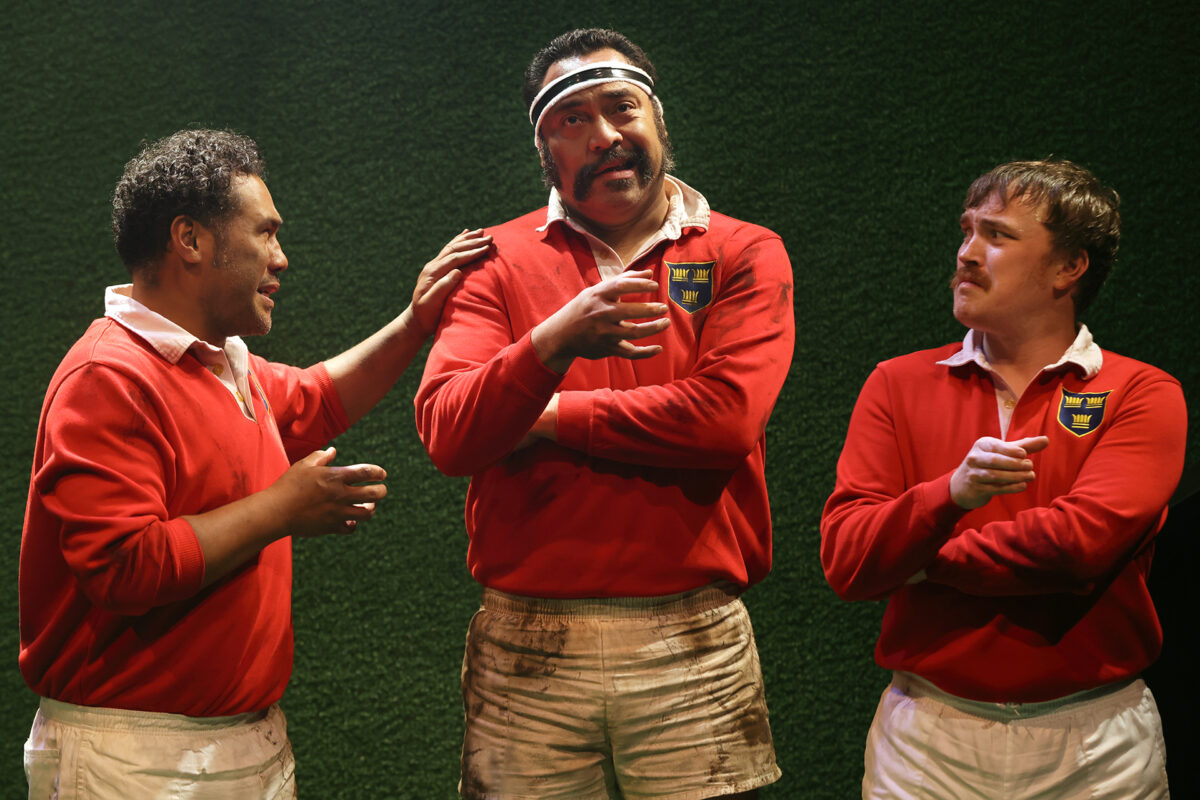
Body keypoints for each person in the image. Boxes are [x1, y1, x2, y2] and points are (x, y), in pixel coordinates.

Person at [19, 128, 491, 797]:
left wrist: (415, 323)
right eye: (265, 233)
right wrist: (283, 509)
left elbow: (319, 399)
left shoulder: (223, 364)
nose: (282, 258)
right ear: (191, 241)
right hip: (137, 759)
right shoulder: (108, 375)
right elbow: (123, 566)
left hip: (241, 743)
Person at [414, 28, 794, 800]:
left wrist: (545, 412)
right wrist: (554, 339)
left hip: (692, 636)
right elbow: (452, 432)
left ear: (659, 120)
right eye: (573, 120)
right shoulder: (491, 260)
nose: (606, 135)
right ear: (544, 149)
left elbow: (724, 420)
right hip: (528, 639)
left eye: (622, 107)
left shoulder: (745, 252)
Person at [820, 159, 1186, 798]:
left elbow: (1078, 547)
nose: (966, 254)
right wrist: (950, 494)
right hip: (929, 744)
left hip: (1096, 746)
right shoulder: (895, 383)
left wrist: (919, 560)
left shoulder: (1143, 393)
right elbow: (849, 559)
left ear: (1070, 267)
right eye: (965, 232)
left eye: (997, 235)